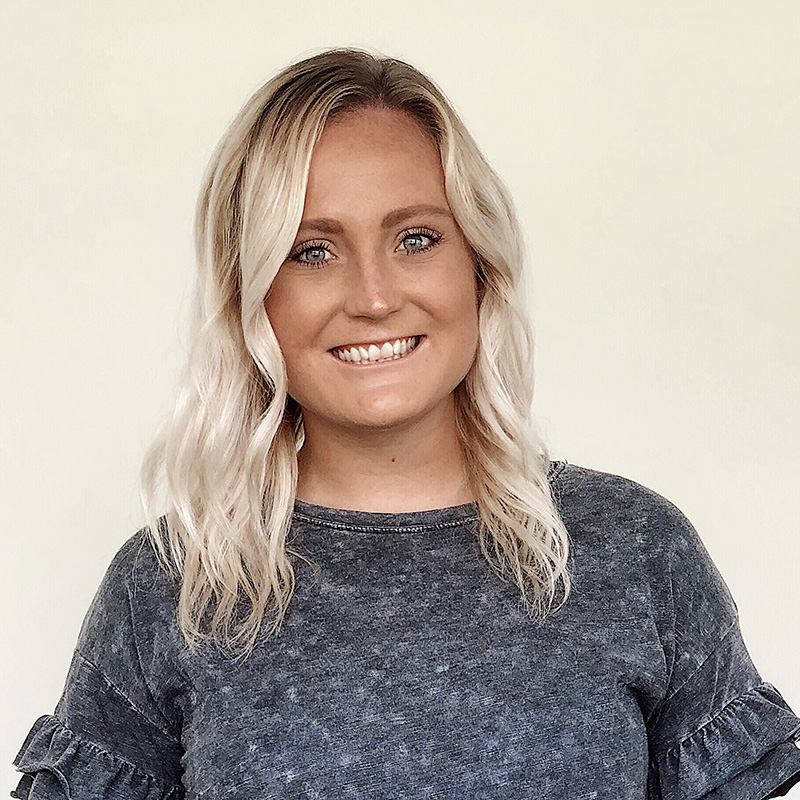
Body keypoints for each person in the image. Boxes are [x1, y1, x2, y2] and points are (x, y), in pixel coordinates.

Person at [11, 48, 800, 800]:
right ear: (252, 293)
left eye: (415, 239)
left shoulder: (637, 549)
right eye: (312, 251)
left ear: (478, 267)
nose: (374, 296)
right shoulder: (171, 585)